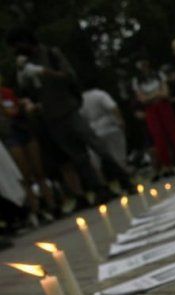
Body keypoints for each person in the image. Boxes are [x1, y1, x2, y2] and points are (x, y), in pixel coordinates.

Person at [6, 27, 131, 200]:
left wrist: (45, 72)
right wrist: (23, 75)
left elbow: (69, 76)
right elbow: (27, 92)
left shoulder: (50, 54)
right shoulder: (24, 64)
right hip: (51, 116)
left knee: (96, 145)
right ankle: (99, 189)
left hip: (68, 109)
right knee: (77, 156)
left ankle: (123, 179)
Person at [0, 74, 56, 222]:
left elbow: (14, 110)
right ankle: (35, 209)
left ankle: (51, 205)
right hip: (9, 135)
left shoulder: (7, 92)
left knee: (39, 171)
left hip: (23, 130)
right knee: (24, 175)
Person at [132, 58, 175, 176]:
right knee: (158, 137)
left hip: (163, 106)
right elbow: (142, 99)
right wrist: (155, 95)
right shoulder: (137, 81)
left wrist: (153, 96)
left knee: (173, 132)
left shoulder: (158, 75)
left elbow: (165, 93)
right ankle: (167, 165)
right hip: (151, 109)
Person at [79, 81, 128, 173]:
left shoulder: (82, 100)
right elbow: (112, 107)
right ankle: (124, 174)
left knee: (96, 159)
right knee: (118, 155)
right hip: (110, 126)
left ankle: (103, 180)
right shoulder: (100, 94)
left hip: (94, 129)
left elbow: (82, 117)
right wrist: (120, 120)